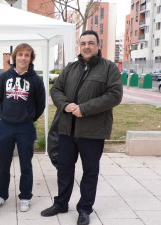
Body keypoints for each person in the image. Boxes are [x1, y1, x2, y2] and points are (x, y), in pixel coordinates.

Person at [41, 30, 123, 225]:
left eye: (91, 43)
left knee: (90, 171)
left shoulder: (109, 68)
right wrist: (65, 105)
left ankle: (85, 208)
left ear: (97, 45)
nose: (87, 46)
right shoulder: (70, 68)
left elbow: (114, 95)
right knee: (64, 169)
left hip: (92, 131)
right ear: (80, 45)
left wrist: (84, 109)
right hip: (67, 129)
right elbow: (56, 90)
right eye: (83, 43)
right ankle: (61, 203)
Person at [0, 43, 46, 212]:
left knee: (26, 164)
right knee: (4, 164)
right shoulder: (4, 77)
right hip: (6, 127)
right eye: (20, 54)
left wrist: (28, 118)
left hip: (25, 128)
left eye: (27, 55)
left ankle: (25, 197)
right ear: (14, 57)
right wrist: (6, 115)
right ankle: (1, 195)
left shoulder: (36, 80)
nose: (23, 58)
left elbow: (40, 104)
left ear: (31, 59)